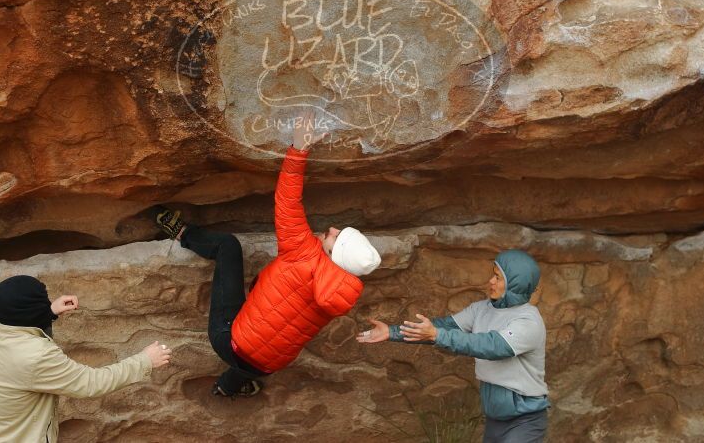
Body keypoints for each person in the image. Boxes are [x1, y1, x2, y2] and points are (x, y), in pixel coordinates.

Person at [155, 112, 381, 398]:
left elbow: (287, 200)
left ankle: (182, 233)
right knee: (263, 337)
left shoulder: (303, 252)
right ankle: (228, 386)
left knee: (228, 247)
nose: (333, 229)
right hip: (269, 365)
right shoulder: (343, 291)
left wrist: (300, 148)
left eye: (336, 237)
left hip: (230, 341)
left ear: (335, 255)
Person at [357, 249, 549, 443]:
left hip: (525, 419)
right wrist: (391, 332)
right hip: (495, 418)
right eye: (493, 274)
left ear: (515, 284)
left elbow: (492, 346)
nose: (491, 281)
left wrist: (437, 335)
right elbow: (441, 327)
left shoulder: (528, 321)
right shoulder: (481, 309)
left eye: (498, 278)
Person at [0, 275, 172, 443]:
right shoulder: (34, 356)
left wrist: (47, 312)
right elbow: (90, 383)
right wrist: (144, 361)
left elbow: (17, 324)